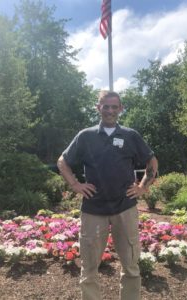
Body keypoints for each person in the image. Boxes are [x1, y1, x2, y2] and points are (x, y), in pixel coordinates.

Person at [57, 90, 158, 300]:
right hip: (94, 210)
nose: (110, 110)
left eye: (114, 106)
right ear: (98, 108)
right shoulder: (86, 136)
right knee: (89, 267)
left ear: (121, 109)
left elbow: (152, 162)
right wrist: (75, 184)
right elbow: (62, 162)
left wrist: (142, 188)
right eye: (106, 106)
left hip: (125, 207)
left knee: (130, 264)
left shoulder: (131, 135)